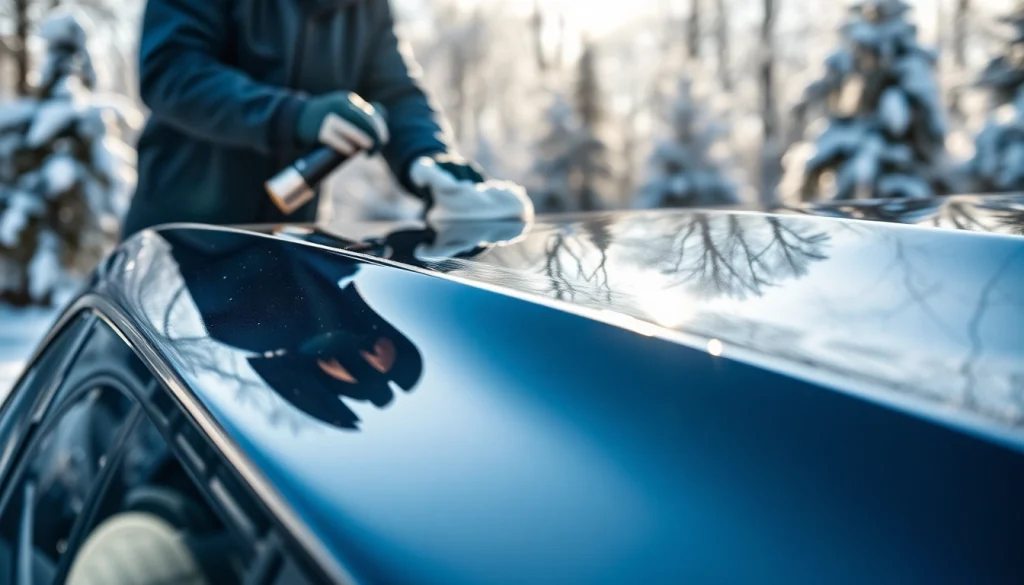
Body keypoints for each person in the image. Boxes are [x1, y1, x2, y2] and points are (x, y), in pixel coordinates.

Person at [123, 0, 530, 238]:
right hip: (181, 237)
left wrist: (427, 158)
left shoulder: (366, 8)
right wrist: (292, 115)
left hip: (289, 242)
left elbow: (395, 90)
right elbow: (171, 70)